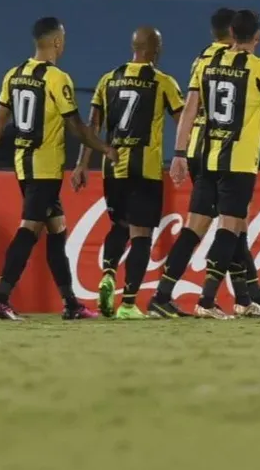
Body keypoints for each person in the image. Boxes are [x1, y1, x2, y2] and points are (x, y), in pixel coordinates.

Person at [160, 9, 260, 319]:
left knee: (198, 226)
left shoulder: (205, 64)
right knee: (231, 228)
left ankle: (166, 295)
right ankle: (207, 301)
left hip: (206, 157)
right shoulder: (258, 67)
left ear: (231, 35)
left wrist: (179, 154)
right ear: (258, 37)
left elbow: (190, 111)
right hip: (238, 162)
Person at [0, 17, 117, 321]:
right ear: (57, 42)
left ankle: (70, 303)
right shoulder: (56, 78)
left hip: (24, 165)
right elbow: (76, 125)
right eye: (64, 39)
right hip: (45, 168)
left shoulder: (14, 75)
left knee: (57, 229)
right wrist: (105, 148)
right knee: (30, 229)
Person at [71, 27, 183, 319]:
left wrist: (83, 164)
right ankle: (129, 304)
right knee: (142, 234)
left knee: (119, 225)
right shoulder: (162, 82)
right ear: (156, 49)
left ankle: (108, 272)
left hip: (113, 165)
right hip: (144, 167)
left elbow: (91, 127)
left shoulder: (107, 80)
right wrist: (184, 156)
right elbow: (183, 122)